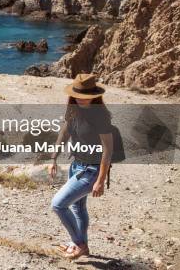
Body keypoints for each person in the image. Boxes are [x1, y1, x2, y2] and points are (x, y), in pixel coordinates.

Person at [48, 73, 114, 260]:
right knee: (77, 208)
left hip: (91, 171)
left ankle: (79, 244)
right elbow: (64, 132)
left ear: (94, 95)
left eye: (85, 96)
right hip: (76, 166)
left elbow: (107, 151)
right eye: (78, 95)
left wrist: (100, 180)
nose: (81, 99)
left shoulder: (100, 116)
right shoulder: (73, 109)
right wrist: (53, 158)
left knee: (58, 204)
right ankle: (80, 244)